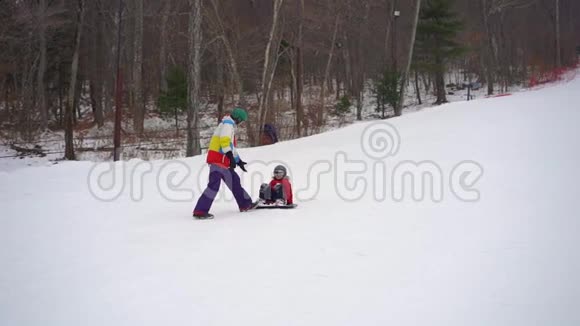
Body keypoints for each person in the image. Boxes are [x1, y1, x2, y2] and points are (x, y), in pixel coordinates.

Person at [193, 108, 257, 219]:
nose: (241, 123)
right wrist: (230, 157)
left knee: (235, 183)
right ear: (237, 118)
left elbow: (231, 147)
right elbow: (224, 142)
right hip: (217, 160)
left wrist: (238, 160)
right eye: (241, 120)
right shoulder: (227, 125)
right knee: (214, 185)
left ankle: (245, 204)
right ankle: (200, 211)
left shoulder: (230, 126)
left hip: (224, 162)